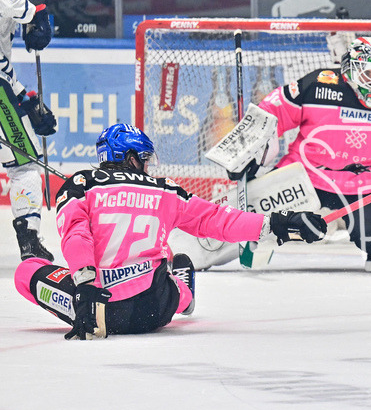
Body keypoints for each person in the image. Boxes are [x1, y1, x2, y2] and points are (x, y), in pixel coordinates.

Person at [13, 123, 328, 340]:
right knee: (164, 255)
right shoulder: (166, 190)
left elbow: (76, 235)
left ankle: (172, 284)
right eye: (144, 159)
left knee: (26, 271)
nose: (147, 165)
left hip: (99, 312)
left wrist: (84, 288)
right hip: (156, 309)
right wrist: (276, 224)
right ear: (132, 157)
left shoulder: (79, 185)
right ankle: (183, 292)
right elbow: (220, 220)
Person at [225, 35, 371, 269]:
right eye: (368, 73)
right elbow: (272, 111)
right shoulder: (318, 85)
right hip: (304, 176)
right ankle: (211, 238)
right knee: (255, 219)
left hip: (367, 187)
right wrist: (249, 147)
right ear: (349, 70)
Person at [0, 0, 54, 261]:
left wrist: (26, 98)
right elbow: (15, 3)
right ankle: (29, 242)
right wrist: (37, 16)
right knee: (25, 167)